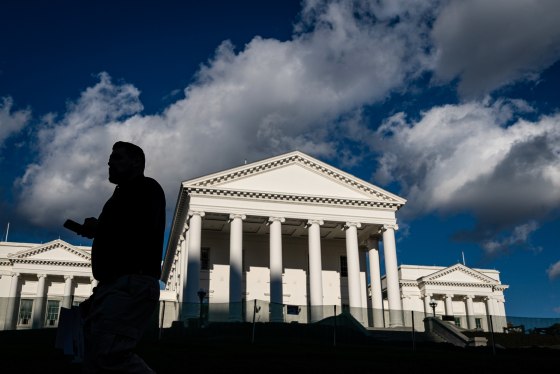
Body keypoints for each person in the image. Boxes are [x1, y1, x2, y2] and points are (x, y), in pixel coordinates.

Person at [78, 141, 166, 373]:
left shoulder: (147, 188)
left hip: (131, 282)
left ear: (136, 162)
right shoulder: (118, 197)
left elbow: (138, 230)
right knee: (94, 358)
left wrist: (100, 227)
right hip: (112, 284)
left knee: (110, 355)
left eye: (117, 158)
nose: (109, 163)